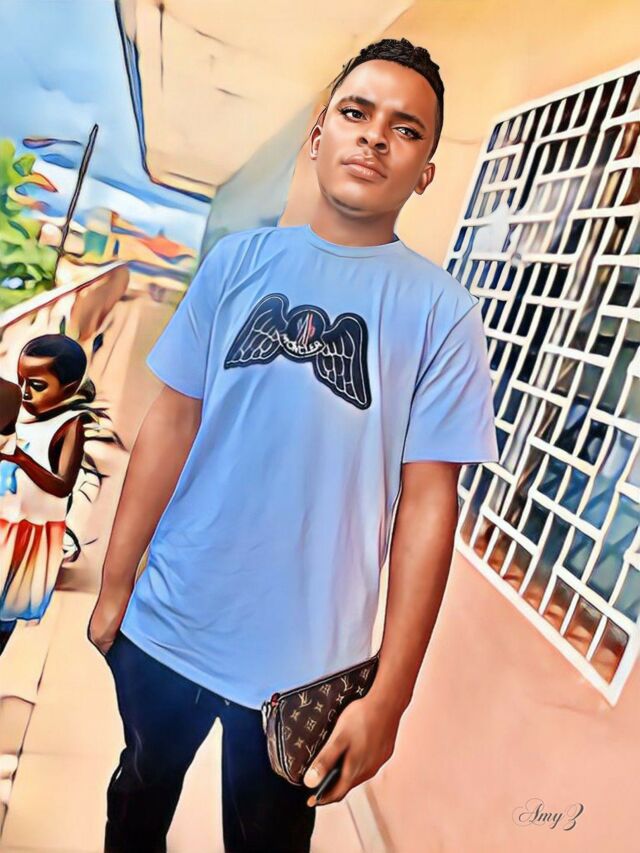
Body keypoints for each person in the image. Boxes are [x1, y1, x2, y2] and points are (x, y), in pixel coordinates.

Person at [89, 37, 499, 853]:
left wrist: (389, 696)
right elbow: (172, 423)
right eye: (356, 112)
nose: (375, 136)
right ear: (318, 134)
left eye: (406, 129)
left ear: (425, 171)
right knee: (136, 797)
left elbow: (429, 504)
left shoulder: (441, 313)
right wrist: (115, 583)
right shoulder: (236, 263)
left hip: (305, 671)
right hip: (169, 620)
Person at [0, 334, 122, 654]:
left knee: (5, 614)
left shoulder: (70, 425)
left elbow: (62, 484)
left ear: (68, 389)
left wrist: (22, 459)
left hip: (29, 534)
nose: (26, 392)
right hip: (6, 521)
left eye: (37, 385)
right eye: (22, 381)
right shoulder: (20, 409)